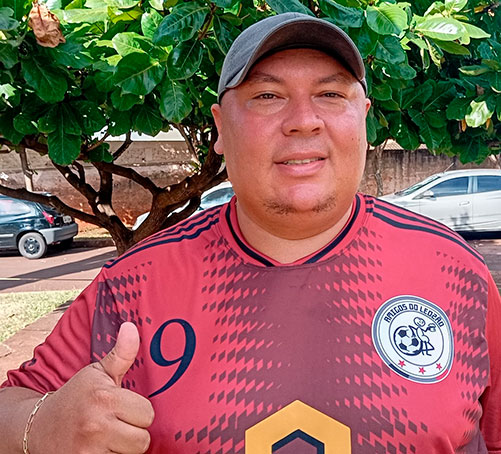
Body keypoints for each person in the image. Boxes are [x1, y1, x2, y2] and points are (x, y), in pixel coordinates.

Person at [1, 11, 500, 454]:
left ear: (364, 119)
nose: (304, 121)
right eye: (267, 96)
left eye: (330, 94)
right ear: (220, 127)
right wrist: (40, 425)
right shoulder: (134, 284)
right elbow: (10, 407)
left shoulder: (455, 271)